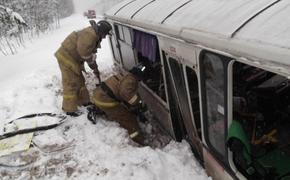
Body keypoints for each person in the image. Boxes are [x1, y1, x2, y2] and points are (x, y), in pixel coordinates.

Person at [54, 20, 112, 116]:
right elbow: (84, 53)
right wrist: (93, 66)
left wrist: (95, 66)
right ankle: (69, 110)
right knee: (71, 82)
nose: (105, 37)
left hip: (73, 59)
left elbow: (90, 52)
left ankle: (84, 101)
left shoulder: (94, 35)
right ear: (101, 31)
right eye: (105, 34)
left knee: (80, 80)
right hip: (66, 57)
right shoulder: (90, 35)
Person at [90, 63, 150, 145]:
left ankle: (100, 109)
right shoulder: (131, 81)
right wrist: (138, 104)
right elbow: (127, 94)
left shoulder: (127, 75)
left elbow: (124, 93)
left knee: (125, 109)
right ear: (139, 76)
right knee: (128, 118)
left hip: (98, 94)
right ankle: (138, 140)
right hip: (104, 100)